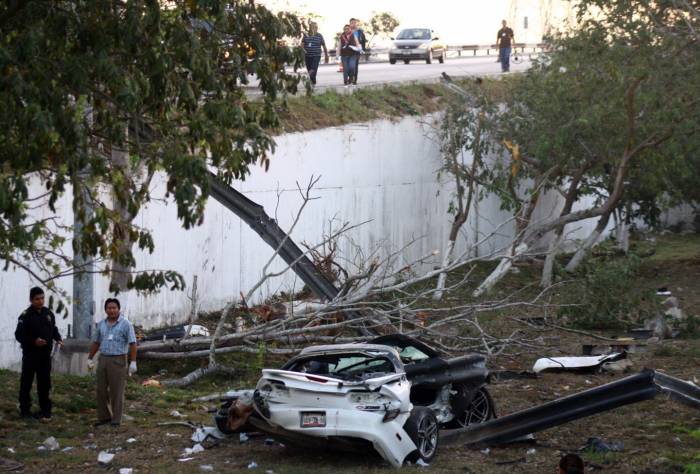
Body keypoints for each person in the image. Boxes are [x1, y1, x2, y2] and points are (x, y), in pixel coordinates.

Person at [87, 298, 137, 427]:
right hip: (103, 358)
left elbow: (132, 343)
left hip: (118, 360)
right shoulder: (101, 324)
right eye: (109, 308)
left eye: (114, 308)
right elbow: (97, 342)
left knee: (116, 391)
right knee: (101, 390)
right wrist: (90, 357)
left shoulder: (126, 324)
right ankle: (104, 417)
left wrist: (133, 362)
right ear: (105, 310)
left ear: (118, 309)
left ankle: (116, 420)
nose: (112, 310)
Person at [15, 286, 63, 420]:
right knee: (26, 383)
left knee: (44, 383)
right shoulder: (25, 316)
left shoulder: (48, 313)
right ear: (31, 300)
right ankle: (25, 410)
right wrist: (33, 341)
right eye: (37, 299)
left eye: (42, 298)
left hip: (45, 356)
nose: (40, 301)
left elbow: (53, 329)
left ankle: (45, 410)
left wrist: (58, 338)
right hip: (31, 355)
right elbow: (19, 335)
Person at [302, 21, 328, 86]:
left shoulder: (319, 36)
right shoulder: (306, 35)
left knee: (313, 69)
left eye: (316, 27)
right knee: (310, 70)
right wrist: (301, 53)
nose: (315, 28)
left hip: (316, 56)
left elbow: (324, 46)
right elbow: (302, 45)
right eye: (313, 27)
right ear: (310, 28)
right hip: (307, 56)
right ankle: (313, 83)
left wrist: (326, 56)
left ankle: (311, 83)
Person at [349, 18, 367, 85]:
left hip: (357, 50)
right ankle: (350, 78)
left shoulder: (360, 32)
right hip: (349, 50)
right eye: (352, 23)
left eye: (354, 22)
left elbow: (364, 40)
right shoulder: (348, 31)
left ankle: (354, 80)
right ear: (350, 24)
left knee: (355, 65)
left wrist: (363, 49)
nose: (353, 24)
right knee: (349, 66)